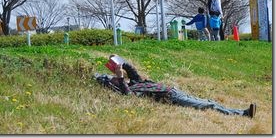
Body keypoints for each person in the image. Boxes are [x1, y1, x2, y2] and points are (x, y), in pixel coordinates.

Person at [94, 55, 256, 118]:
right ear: (114, 85)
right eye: (112, 80)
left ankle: (242, 112)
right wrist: (121, 79)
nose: (114, 78)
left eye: (113, 77)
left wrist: (118, 62)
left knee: (208, 101)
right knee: (208, 105)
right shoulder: (131, 90)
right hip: (172, 98)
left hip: (174, 91)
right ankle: (243, 113)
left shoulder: (134, 82)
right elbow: (128, 96)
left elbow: (131, 69)